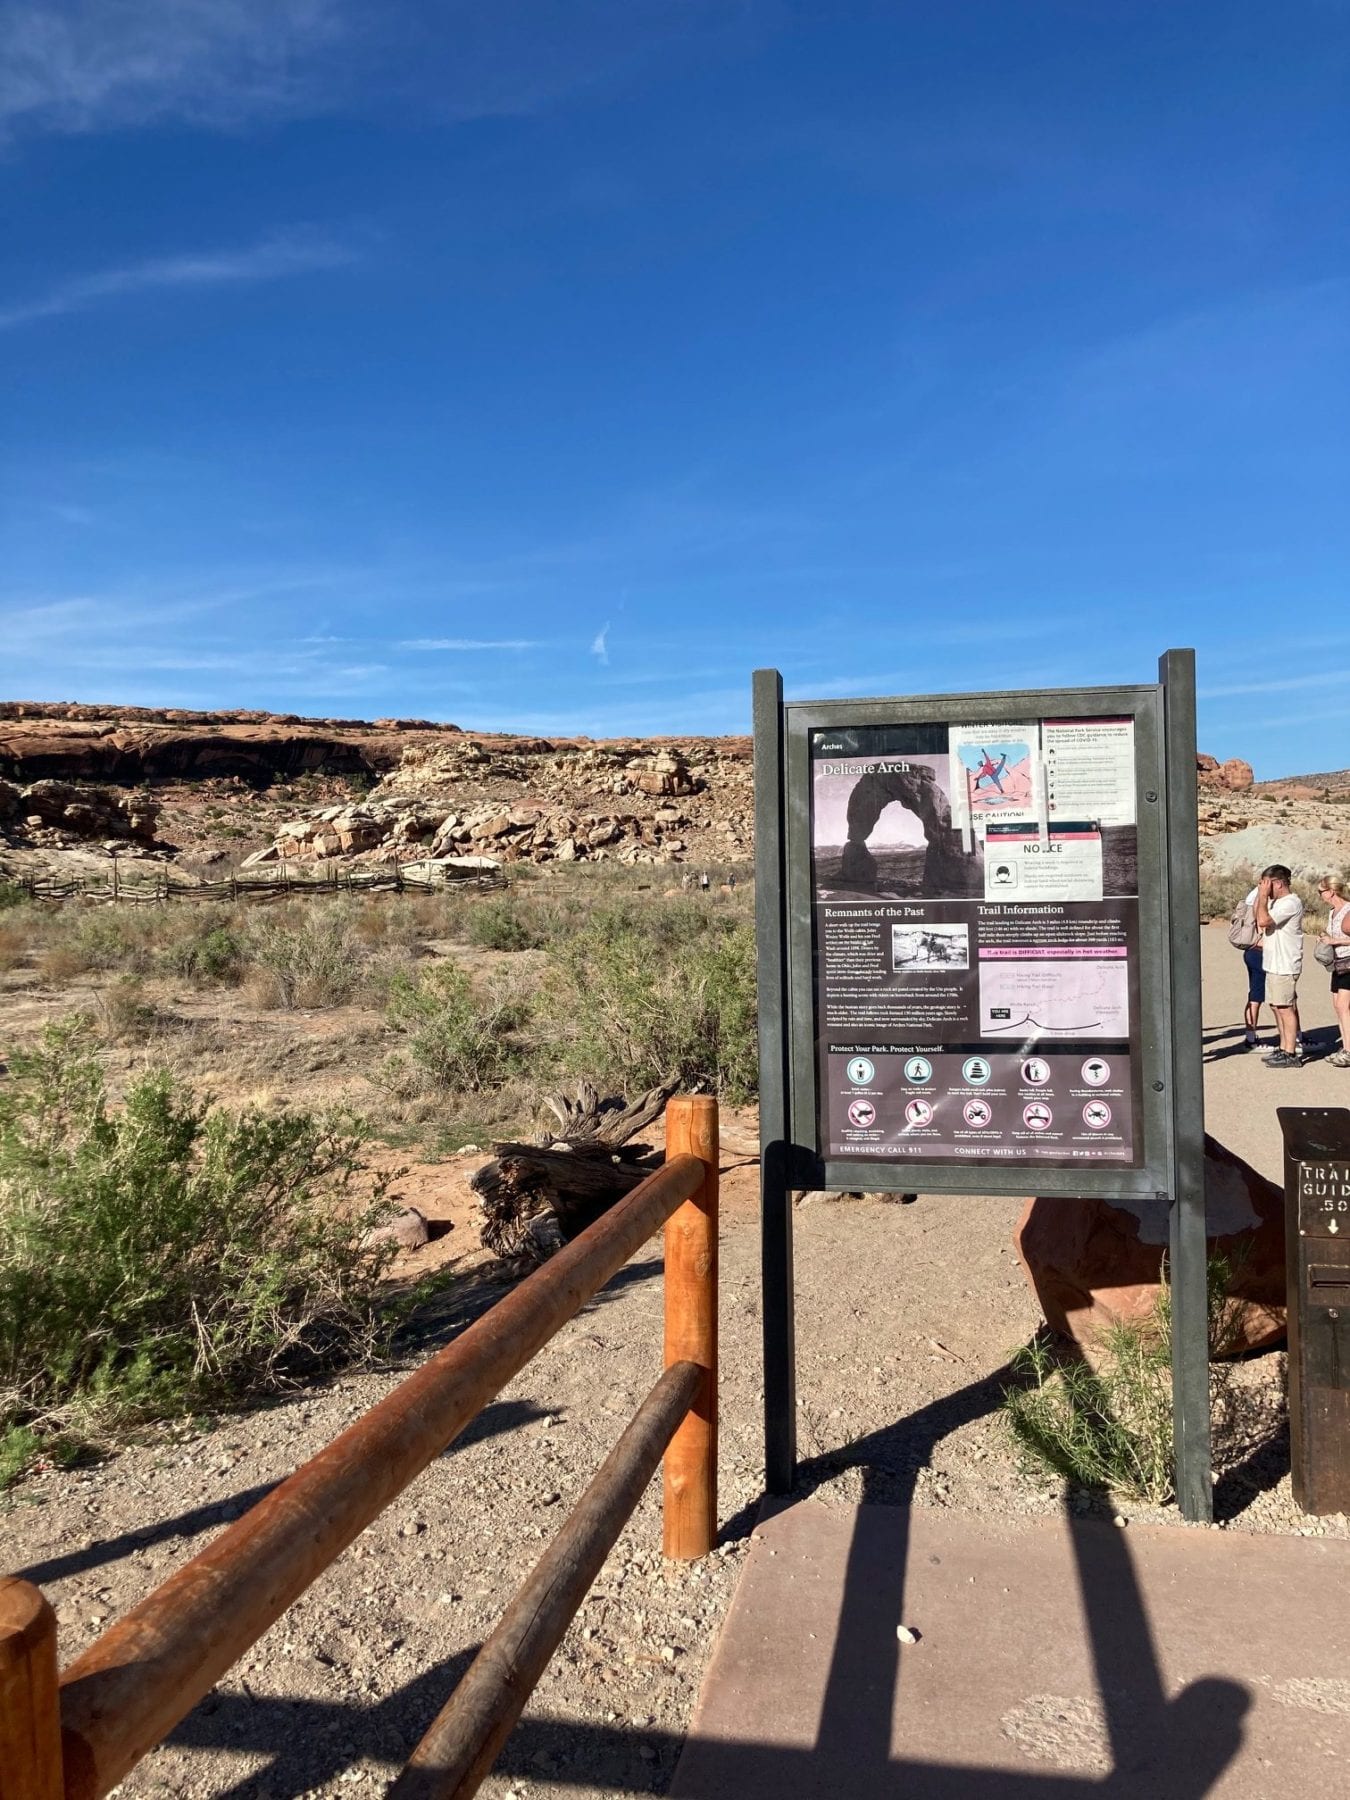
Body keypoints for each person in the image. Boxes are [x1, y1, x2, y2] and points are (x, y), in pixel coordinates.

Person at [1255, 864, 1305, 1068]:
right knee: (1277, 1006)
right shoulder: (1277, 903)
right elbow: (1258, 919)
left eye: (1268, 884)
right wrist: (1262, 896)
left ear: (1279, 883)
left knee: (1285, 1008)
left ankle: (1291, 1053)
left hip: (1284, 964)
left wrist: (1263, 896)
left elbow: (1263, 920)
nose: (1265, 888)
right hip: (1274, 963)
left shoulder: (1290, 903)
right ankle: (1284, 1047)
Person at [1318, 875, 1350, 1067]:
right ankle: (1345, 1046)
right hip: (1337, 964)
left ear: (1331, 891)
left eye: (1321, 891)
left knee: (1344, 1007)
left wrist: (1335, 941)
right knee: (1338, 1006)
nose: (1320, 895)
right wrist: (1324, 938)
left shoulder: (1348, 910)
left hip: (1349, 962)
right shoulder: (1332, 912)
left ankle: (1349, 1050)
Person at [1237, 880, 1267, 1047]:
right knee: (1257, 996)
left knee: (1254, 994)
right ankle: (1250, 1039)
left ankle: (1250, 1035)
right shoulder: (1261, 898)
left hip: (1251, 950)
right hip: (1259, 950)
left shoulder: (1251, 896)